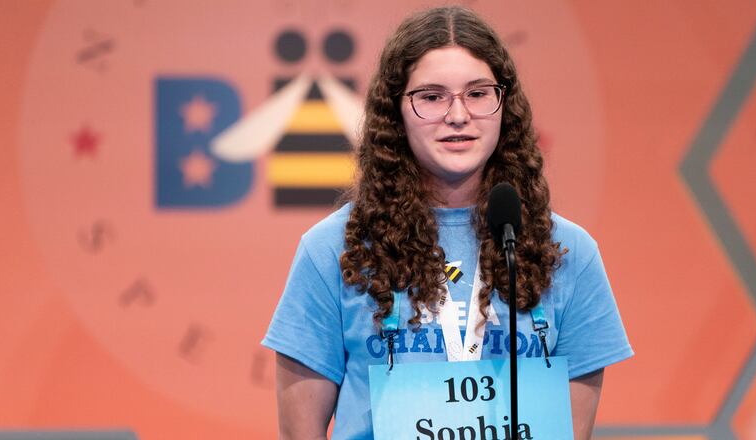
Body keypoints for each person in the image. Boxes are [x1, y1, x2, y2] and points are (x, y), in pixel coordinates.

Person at [262, 6, 633, 440]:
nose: (458, 115)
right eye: (432, 96)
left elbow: (571, 432)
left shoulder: (567, 253)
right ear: (395, 112)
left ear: (504, 106)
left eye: (478, 93)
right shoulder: (333, 250)